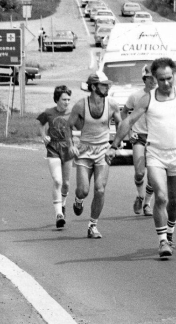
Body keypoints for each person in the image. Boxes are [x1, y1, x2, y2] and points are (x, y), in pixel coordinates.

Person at [105, 56, 176, 258]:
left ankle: (170, 233)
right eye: (161, 79)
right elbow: (128, 121)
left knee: (174, 200)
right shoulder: (147, 99)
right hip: (155, 154)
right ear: (155, 79)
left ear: (174, 75)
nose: (166, 83)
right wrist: (114, 146)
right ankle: (162, 241)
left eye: (169, 78)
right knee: (162, 197)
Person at [68, 71, 121, 239]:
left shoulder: (112, 104)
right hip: (84, 151)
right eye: (104, 85)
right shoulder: (80, 105)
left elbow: (121, 124)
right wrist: (71, 145)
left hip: (102, 151)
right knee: (83, 190)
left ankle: (92, 225)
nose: (107, 88)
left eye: (107, 85)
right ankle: (78, 199)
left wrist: (115, 145)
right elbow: (67, 126)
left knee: (100, 189)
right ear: (93, 87)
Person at [37, 85, 78, 229]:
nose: (67, 102)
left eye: (68, 99)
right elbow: (41, 124)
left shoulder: (72, 113)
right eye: (64, 99)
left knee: (66, 183)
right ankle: (59, 214)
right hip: (53, 148)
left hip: (67, 149)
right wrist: (44, 136)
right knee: (57, 180)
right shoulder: (48, 112)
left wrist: (75, 144)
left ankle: (63, 204)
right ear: (57, 99)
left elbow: (80, 127)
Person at [121, 65, 157, 216]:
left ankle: (147, 203)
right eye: (150, 78)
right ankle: (140, 196)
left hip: (155, 138)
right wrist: (129, 131)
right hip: (139, 136)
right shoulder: (136, 96)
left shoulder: (161, 96)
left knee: (153, 175)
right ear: (145, 79)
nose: (153, 81)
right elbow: (123, 112)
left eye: (155, 77)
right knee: (140, 172)